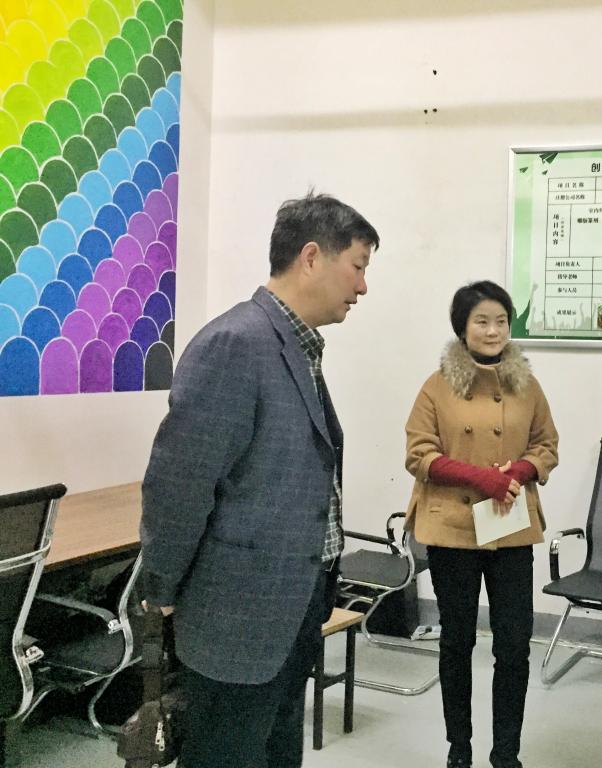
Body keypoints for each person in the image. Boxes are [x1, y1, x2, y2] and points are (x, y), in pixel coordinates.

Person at [139, 192, 379, 768]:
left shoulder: (296, 347)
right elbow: (180, 484)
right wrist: (160, 590)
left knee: (275, 754)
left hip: (292, 607)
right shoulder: (236, 344)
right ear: (312, 257)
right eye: (358, 266)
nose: (363, 286)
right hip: (237, 616)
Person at [404, 280, 558, 768]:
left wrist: (520, 471)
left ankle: (506, 753)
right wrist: (479, 477)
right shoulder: (437, 385)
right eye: (482, 321)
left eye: (501, 321)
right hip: (452, 528)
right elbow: (418, 453)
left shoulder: (527, 385)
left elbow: (546, 445)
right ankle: (460, 748)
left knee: (513, 645)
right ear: (462, 328)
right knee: (457, 642)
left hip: (509, 527)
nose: (493, 331)